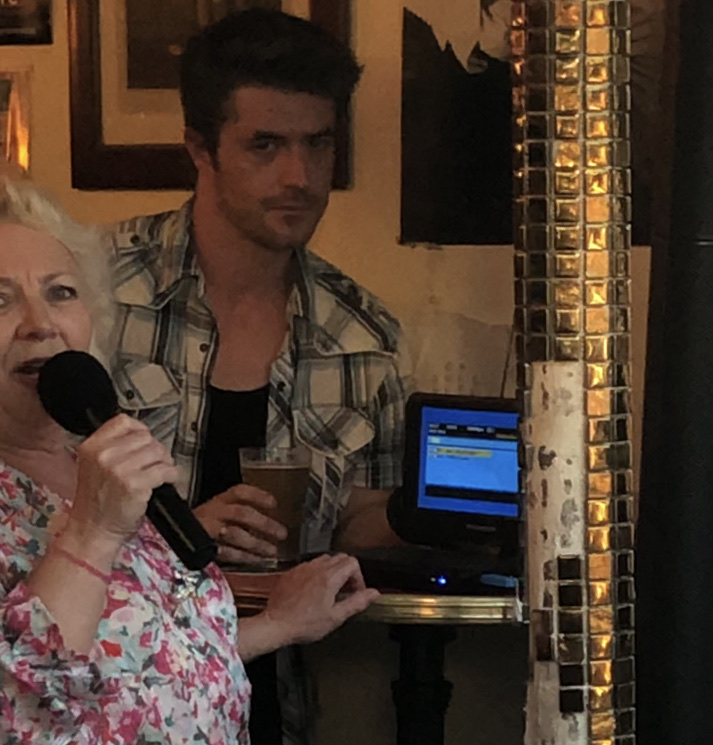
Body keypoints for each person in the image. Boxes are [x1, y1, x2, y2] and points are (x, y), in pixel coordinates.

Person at [109, 8, 408, 744]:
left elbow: (363, 522)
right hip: (109, 697)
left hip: (270, 697)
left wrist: (449, 510)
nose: (298, 177)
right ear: (199, 148)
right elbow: (23, 513)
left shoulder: (362, 334)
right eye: (265, 145)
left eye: (318, 143)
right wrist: (173, 535)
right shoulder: (93, 292)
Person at [0, 177, 379, 744]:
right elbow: (22, 705)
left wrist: (276, 624)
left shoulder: (94, 465)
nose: (40, 321)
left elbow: (142, 663)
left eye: (61, 292)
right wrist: (93, 532)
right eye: (0, 300)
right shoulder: (97, 499)